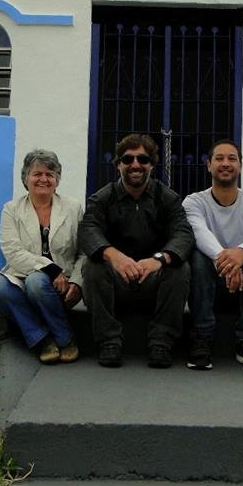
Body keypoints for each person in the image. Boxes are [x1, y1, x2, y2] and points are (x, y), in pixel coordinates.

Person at [78, 133, 193, 368]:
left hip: (153, 282)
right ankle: (109, 341)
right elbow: (88, 229)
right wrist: (114, 255)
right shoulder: (102, 198)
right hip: (116, 283)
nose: (135, 165)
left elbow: (183, 233)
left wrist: (159, 259)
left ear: (152, 164)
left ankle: (161, 342)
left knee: (180, 268)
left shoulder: (167, 198)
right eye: (128, 159)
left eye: (142, 159)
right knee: (92, 267)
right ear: (118, 163)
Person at [182, 139, 243, 371]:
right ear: (208, 165)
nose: (225, 163)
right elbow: (198, 233)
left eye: (232, 158)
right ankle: (202, 337)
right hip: (207, 283)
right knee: (197, 256)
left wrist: (241, 255)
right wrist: (228, 262)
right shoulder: (193, 201)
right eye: (219, 158)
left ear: (240, 165)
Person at [0, 149, 84, 364]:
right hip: (24, 277)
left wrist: (77, 283)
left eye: (50, 174)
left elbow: (84, 252)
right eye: (37, 174)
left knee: (37, 281)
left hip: (62, 284)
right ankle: (43, 340)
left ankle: (65, 338)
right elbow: (12, 251)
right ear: (26, 178)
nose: (43, 179)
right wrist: (49, 268)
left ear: (57, 180)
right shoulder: (11, 210)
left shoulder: (73, 208)